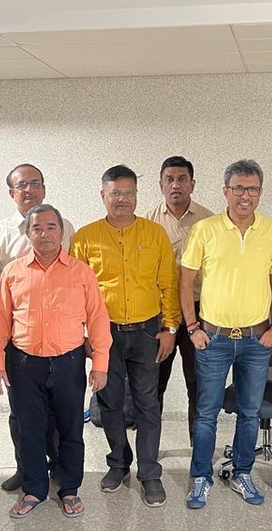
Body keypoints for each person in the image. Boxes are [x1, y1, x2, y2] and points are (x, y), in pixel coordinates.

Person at [0, 204, 111, 519]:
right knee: (29, 429)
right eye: (37, 228)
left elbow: (97, 319)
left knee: (70, 429)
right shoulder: (13, 272)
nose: (44, 233)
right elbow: (0, 320)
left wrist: (100, 364)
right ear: (28, 234)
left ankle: (69, 489)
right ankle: (34, 490)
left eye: (51, 227)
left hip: (69, 362)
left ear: (62, 232)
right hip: (24, 364)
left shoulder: (81, 272)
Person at [180, 158, 272, 509]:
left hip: (257, 341)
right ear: (225, 191)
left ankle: (243, 472)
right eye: (238, 188)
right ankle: (201, 477)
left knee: (249, 412)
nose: (245, 195)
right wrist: (192, 328)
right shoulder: (205, 229)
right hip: (213, 339)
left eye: (252, 189)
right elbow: (185, 282)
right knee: (206, 412)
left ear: (260, 192)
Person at [70, 165, 180, 507]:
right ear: (103, 195)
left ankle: (149, 472)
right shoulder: (85, 238)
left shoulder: (155, 234)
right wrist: (83, 335)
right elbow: (75, 292)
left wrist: (170, 329)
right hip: (105, 334)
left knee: (148, 402)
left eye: (129, 193)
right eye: (115, 193)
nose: (122, 199)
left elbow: (168, 284)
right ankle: (118, 463)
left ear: (137, 195)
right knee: (110, 402)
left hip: (148, 332)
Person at [0, 164, 76, 493]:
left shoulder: (65, 227)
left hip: (59, 340)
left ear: (44, 188)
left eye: (35, 183)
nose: (29, 190)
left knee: (59, 411)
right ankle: (26, 467)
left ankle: (59, 466)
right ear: (12, 192)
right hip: (16, 339)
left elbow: (75, 278)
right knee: (21, 410)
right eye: (22, 185)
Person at [144, 156, 214, 441]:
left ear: (192, 184)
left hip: (199, 310)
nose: (176, 185)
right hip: (161, 311)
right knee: (154, 383)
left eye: (182, 179)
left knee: (198, 383)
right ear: (161, 185)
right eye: (169, 179)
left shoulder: (209, 221)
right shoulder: (147, 221)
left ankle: (200, 449)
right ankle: (150, 449)